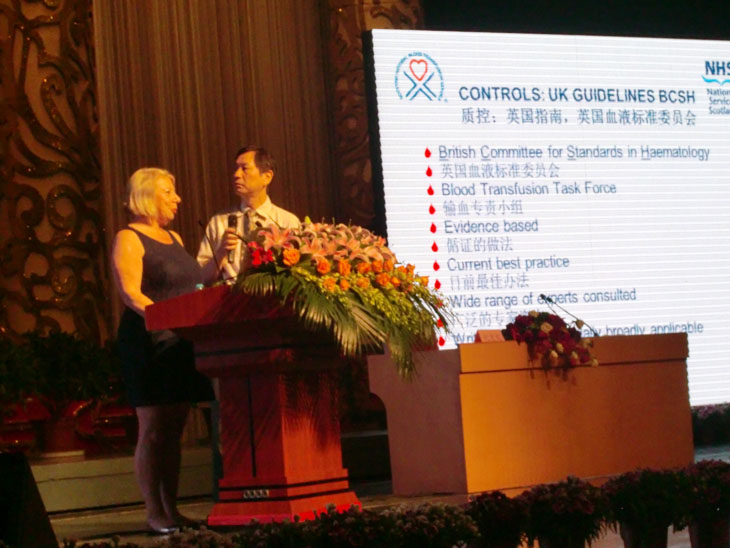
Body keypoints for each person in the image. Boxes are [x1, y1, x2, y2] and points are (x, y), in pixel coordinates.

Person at [111, 167, 214, 534]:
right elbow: (130, 293)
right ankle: (154, 513)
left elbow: (192, 285)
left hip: (180, 343)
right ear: (147, 195)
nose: (177, 199)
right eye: (169, 192)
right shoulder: (129, 237)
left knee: (174, 430)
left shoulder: (174, 237)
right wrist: (167, 319)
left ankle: (173, 510)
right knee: (153, 429)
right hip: (148, 342)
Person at [197, 145, 299, 281]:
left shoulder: (287, 221)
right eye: (236, 169)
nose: (236, 175)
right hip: (228, 292)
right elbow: (201, 278)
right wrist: (221, 252)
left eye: (244, 168)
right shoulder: (219, 222)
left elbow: (297, 275)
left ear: (267, 177)